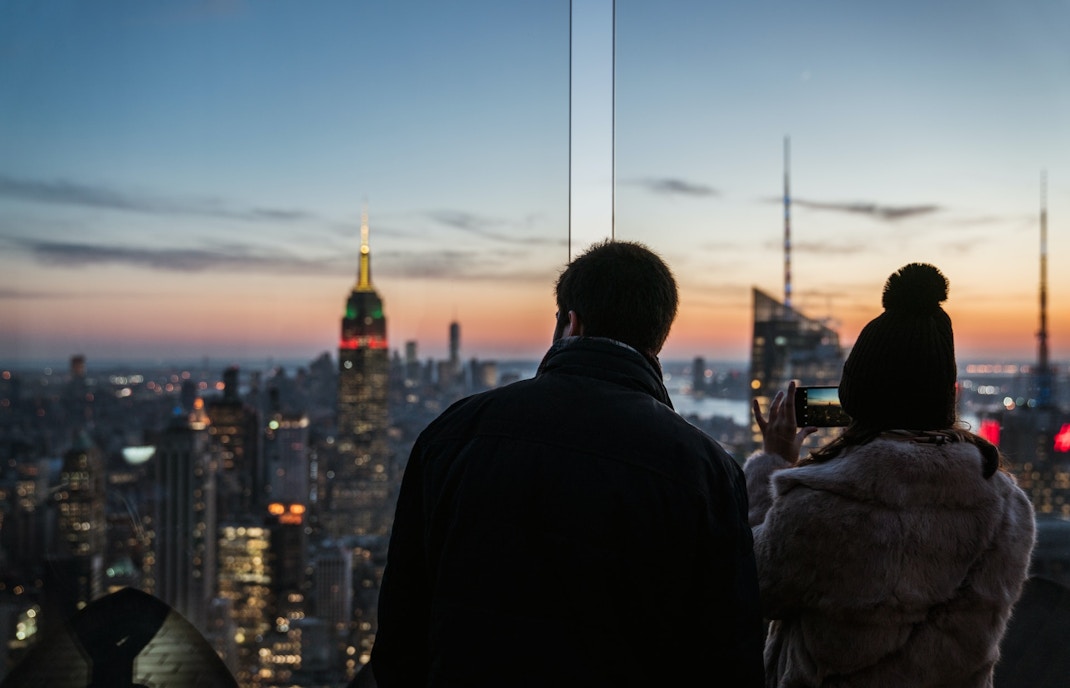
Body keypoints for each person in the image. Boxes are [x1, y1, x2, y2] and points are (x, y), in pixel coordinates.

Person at [371, 240, 765, 687]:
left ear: (570, 323)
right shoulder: (706, 471)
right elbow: (728, 658)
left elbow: (400, 633)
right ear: (658, 338)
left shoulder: (452, 434)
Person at [747, 263, 1036, 688]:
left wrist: (771, 464)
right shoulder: (1009, 509)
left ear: (857, 396)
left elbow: (751, 584)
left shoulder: (823, 504)